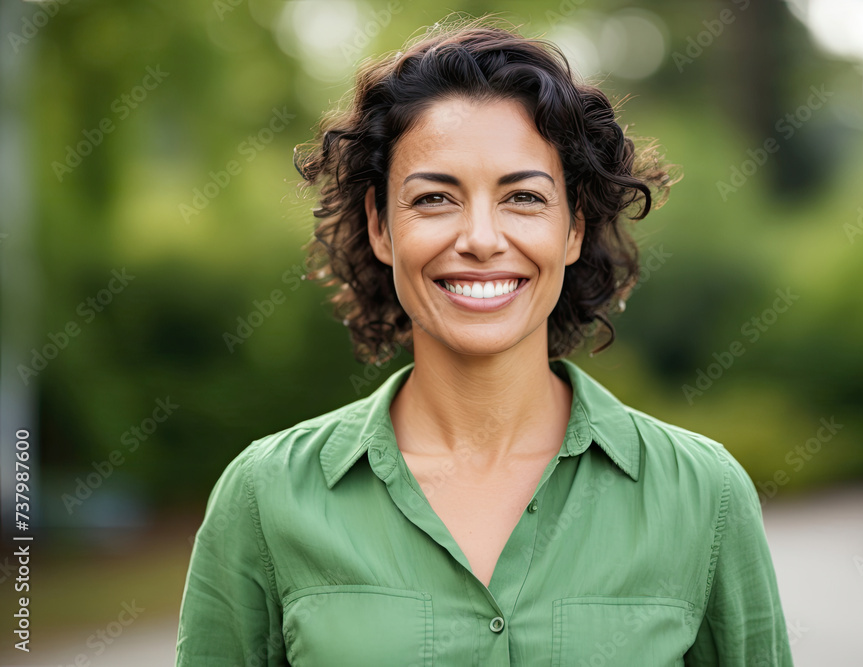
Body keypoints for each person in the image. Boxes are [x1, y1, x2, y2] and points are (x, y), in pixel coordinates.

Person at [175, 14, 793, 666]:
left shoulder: (704, 496)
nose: (480, 237)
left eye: (523, 197)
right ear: (381, 228)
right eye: (435, 199)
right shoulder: (265, 498)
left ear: (574, 229)